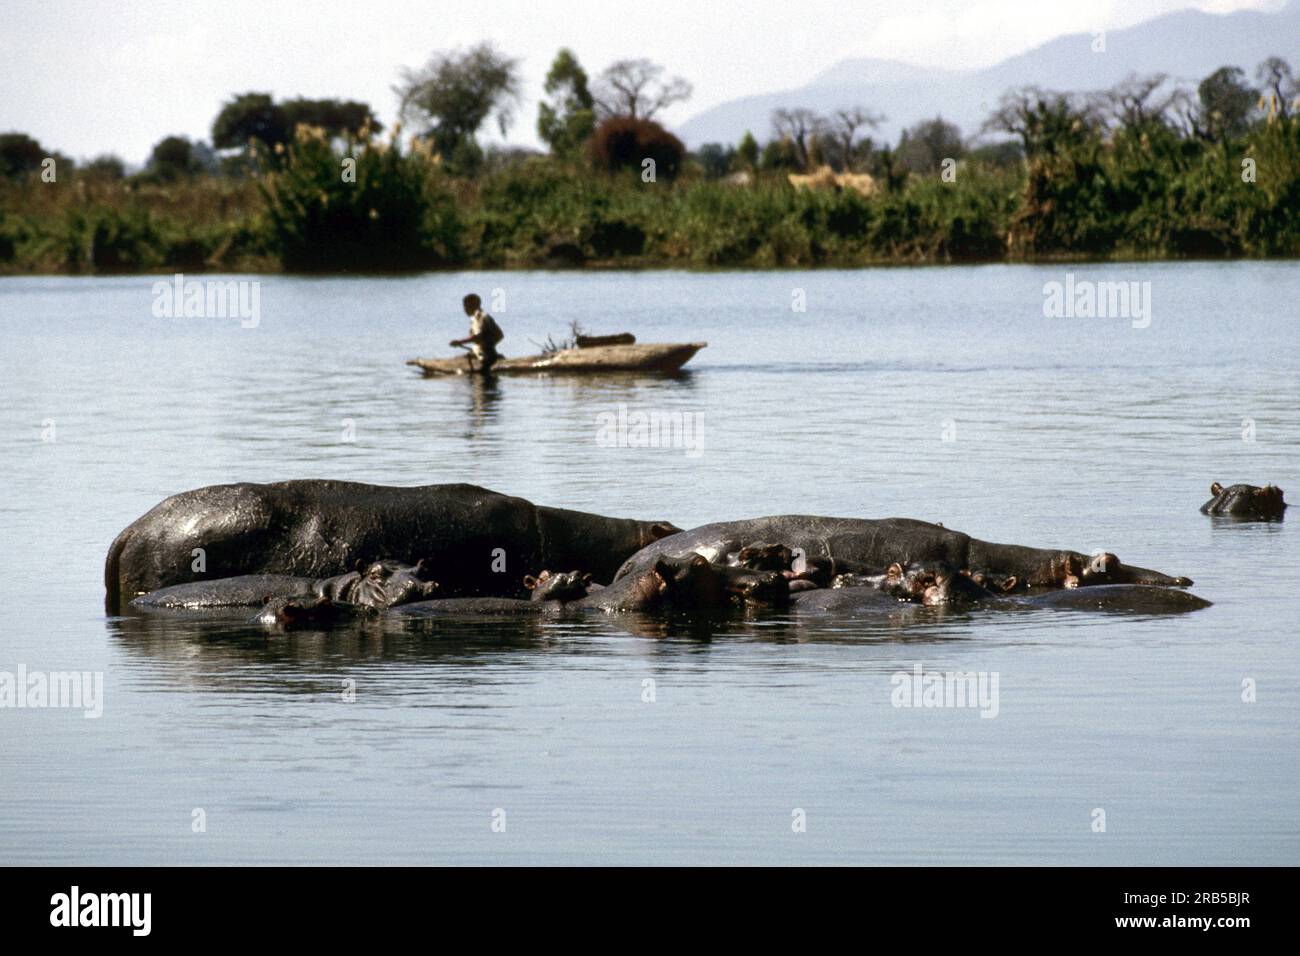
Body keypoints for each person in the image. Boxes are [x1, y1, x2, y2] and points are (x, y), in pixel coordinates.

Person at [450, 293, 504, 373]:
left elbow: (477, 337)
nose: (464, 309)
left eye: (465, 306)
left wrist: (459, 342)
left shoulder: (481, 317)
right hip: (483, 352)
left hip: (487, 356)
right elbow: (499, 335)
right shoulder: (476, 318)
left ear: (472, 305)